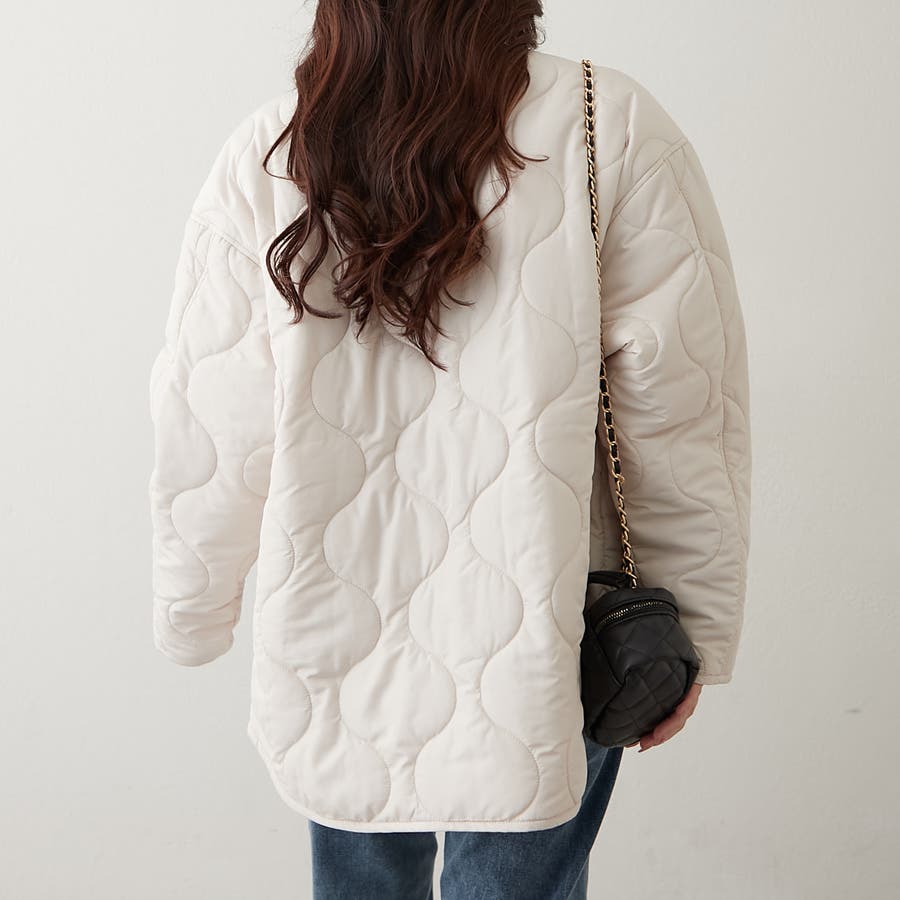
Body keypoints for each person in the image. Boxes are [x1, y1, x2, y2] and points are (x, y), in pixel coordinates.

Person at [148, 2, 751, 898]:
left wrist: (193, 605)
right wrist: (691, 624)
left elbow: (210, 419)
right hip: (547, 629)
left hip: (335, 626)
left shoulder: (273, 153)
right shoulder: (609, 125)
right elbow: (681, 404)